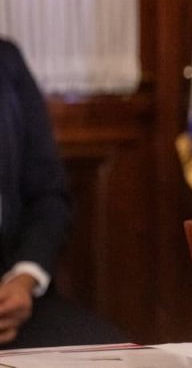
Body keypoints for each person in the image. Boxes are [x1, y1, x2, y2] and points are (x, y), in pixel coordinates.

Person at [0, 38, 127, 347]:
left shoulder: (7, 61)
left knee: (119, 355)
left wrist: (25, 278)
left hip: (14, 300)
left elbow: (49, 197)